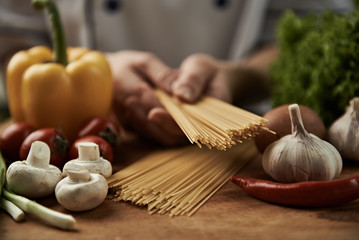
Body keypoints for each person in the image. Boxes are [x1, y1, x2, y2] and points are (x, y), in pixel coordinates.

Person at [0, 0, 354, 146]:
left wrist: (240, 77)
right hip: (112, 144)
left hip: (229, 145)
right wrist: (97, 76)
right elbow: (11, 43)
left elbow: (310, 30)